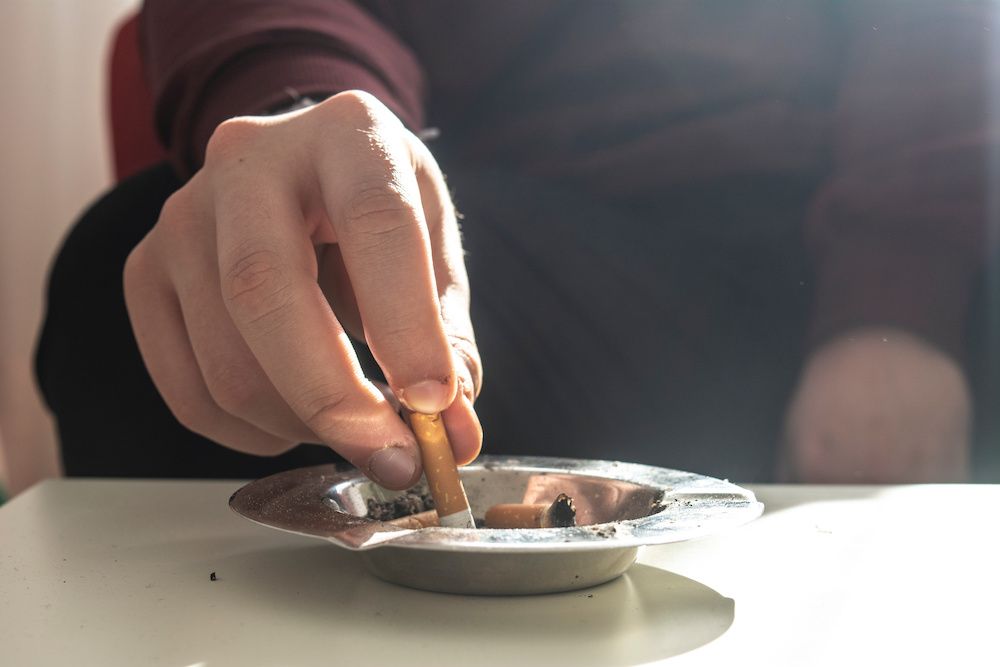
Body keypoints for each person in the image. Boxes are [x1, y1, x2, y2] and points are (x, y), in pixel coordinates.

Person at [36, 1, 999, 486]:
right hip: (507, 226)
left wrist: (896, 297)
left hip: (854, 210)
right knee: (137, 275)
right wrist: (311, 130)